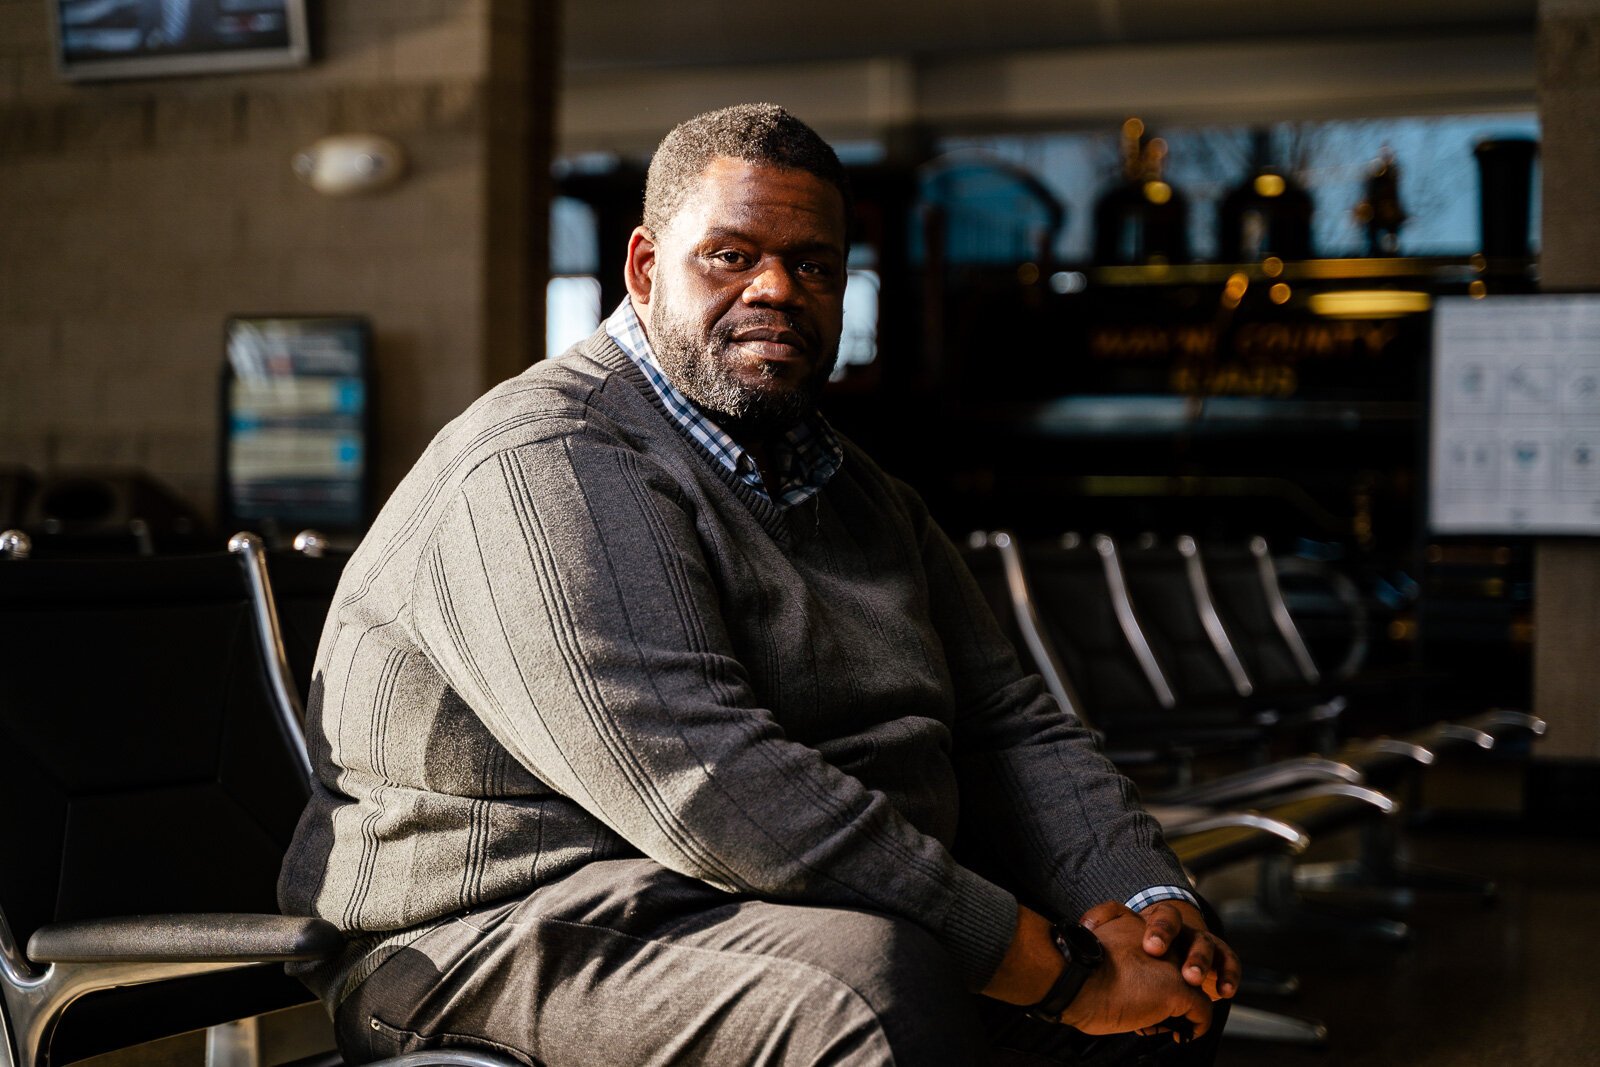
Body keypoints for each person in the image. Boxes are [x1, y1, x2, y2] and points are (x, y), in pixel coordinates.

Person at [278, 103, 1239, 1066]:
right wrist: (1055, 967)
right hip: (483, 935)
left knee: (1143, 1010)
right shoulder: (547, 461)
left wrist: (1150, 911)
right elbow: (709, 781)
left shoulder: (864, 492)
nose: (777, 288)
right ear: (647, 269)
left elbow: (1009, 726)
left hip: (745, 903)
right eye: (730, 255)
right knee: (872, 990)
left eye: (815, 265)